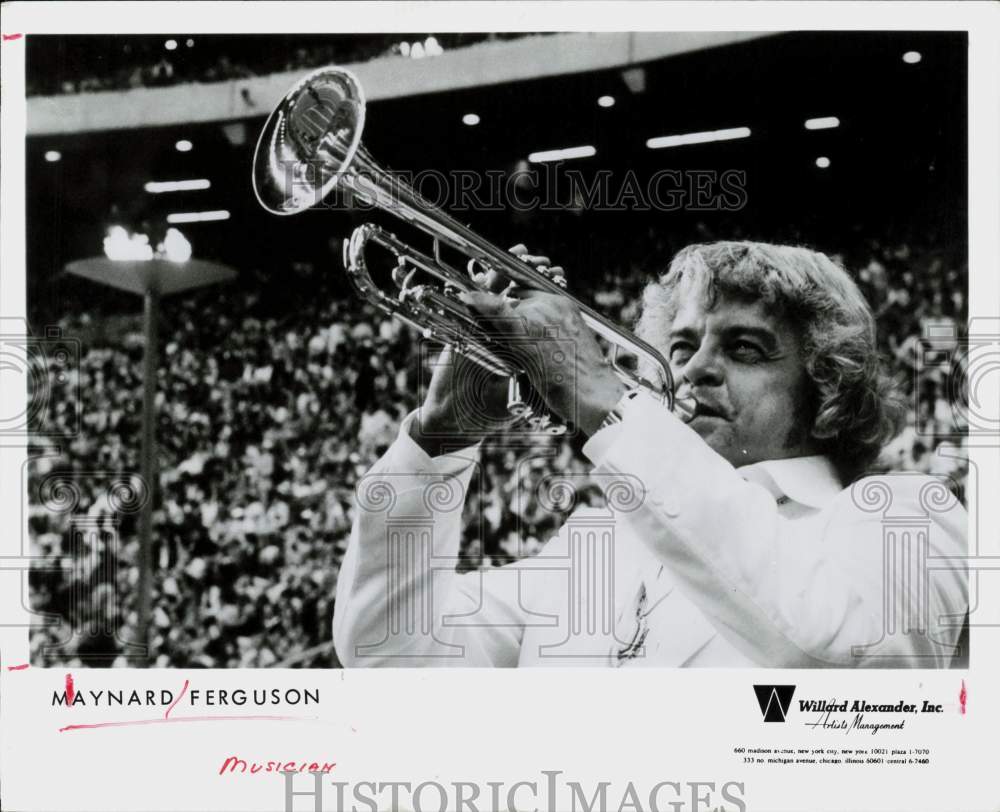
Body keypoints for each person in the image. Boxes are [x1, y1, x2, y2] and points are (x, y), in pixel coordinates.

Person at [333, 242, 968, 668]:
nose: (694, 369)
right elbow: (388, 656)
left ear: (827, 384)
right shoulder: (595, 544)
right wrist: (441, 437)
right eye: (683, 343)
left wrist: (598, 393)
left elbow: (847, 664)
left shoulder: (907, 514)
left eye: (745, 348)